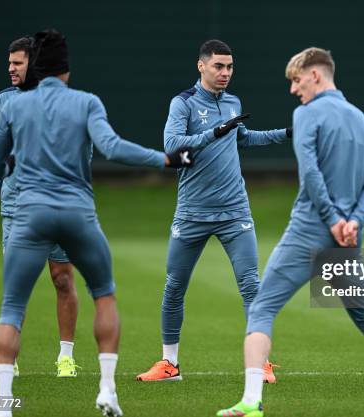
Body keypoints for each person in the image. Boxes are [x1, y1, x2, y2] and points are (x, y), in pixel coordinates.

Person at [0, 29, 194, 417]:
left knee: (12, 307)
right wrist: (165, 159)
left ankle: (1, 405)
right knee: (104, 294)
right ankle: (108, 391)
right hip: (77, 213)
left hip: (28, 214)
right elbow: (112, 148)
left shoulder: (13, 107)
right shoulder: (86, 102)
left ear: (35, 67)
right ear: (66, 69)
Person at [217, 47, 364, 417]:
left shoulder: (307, 114)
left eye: (296, 80)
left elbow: (310, 174)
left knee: (262, 308)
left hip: (310, 231)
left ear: (315, 74)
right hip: (348, 236)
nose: (294, 90)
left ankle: (251, 402)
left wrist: (332, 219)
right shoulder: (361, 119)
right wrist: (354, 221)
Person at [136, 39, 290, 384]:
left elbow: (243, 138)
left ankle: (260, 364)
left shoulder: (233, 101)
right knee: (174, 286)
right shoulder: (184, 103)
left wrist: (287, 133)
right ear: (201, 66)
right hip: (191, 212)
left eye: (230, 67)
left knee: (252, 286)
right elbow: (172, 146)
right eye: (219, 66)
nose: (225, 73)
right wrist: (213, 132)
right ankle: (169, 365)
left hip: (234, 211)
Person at [0, 35, 81, 379]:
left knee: (62, 278)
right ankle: (9, 361)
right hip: (17, 205)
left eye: (17, 63)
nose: (10, 68)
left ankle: (65, 358)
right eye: (9, 63)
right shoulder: (5, 101)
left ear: (34, 64)